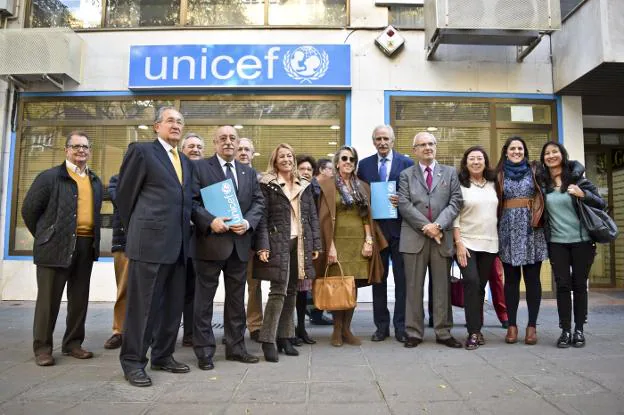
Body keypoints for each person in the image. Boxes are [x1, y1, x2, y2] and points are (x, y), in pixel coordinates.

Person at [117, 107, 194, 387]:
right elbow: (125, 196)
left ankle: (163, 355)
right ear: (156, 126)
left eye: (180, 121)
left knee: (173, 306)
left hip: (179, 246)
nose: (176, 125)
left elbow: (190, 202)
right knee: (143, 307)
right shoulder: (141, 151)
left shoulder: (185, 161)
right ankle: (133, 361)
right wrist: (139, 230)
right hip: (149, 244)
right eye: (170, 120)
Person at [21, 131, 103, 367]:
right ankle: (43, 348)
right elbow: (29, 210)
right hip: (54, 247)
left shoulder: (94, 180)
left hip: (86, 246)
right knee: (48, 301)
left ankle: (73, 344)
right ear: (66, 150)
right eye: (76, 146)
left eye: (85, 147)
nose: (81, 151)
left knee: (79, 299)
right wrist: (46, 236)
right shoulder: (50, 177)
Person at [191, 126, 265, 370]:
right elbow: (190, 201)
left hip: (240, 246)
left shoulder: (248, 171)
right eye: (223, 138)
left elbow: (258, 202)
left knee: (236, 300)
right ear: (214, 142)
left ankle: (236, 347)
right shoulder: (200, 167)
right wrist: (208, 220)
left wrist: (248, 222)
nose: (229, 142)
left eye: (232, 138)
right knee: (204, 301)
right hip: (209, 245)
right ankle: (204, 352)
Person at [254, 144, 321, 361]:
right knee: (278, 291)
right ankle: (267, 339)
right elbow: (262, 218)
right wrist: (263, 245)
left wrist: (316, 245)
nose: (286, 159)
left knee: (292, 291)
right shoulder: (267, 184)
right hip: (277, 243)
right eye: (282, 156)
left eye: (289, 155)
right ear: (275, 160)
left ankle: (285, 337)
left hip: (300, 243)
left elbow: (312, 217)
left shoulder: (304, 185)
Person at [315, 146, 388, 347]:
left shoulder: (363, 186)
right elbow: (323, 219)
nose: (348, 162)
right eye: (344, 158)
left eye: (352, 159)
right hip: (336, 241)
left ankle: (347, 329)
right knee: (339, 284)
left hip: (358, 241)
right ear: (337, 162)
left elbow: (367, 216)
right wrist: (329, 246)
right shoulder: (326, 186)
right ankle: (337, 330)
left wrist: (369, 241)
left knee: (352, 286)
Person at [398, 132, 463, 349]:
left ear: (436, 147)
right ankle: (414, 332)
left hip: (441, 238)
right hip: (414, 237)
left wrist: (438, 226)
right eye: (422, 145)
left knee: (442, 287)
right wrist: (426, 227)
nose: (427, 147)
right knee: (413, 287)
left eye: (431, 144)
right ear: (414, 149)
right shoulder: (406, 174)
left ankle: (443, 332)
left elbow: (456, 201)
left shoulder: (450, 172)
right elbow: (404, 204)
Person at [539, 141, 605, 348]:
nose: (551, 156)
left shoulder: (577, 179)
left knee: (579, 285)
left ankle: (579, 330)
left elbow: (600, 203)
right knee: (563, 285)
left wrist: (582, 194)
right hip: (557, 242)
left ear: (562, 154)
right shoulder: (542, 183)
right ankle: (565, 330)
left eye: (554, 152)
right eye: (547, 153)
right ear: (543, 159)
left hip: (582, 241)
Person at [358, 125, 414, 343]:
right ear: (373, 141)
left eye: (386, 139)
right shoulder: (364, 165)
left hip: (401, 231)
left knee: (402, 282)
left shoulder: (407, 163)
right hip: (376, 232)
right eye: (378, 139)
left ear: (393, 140)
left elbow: (415, 194)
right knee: (378, 281)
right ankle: (381, 327)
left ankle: (401, 326)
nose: (382, 142)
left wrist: (403, 199)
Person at [495, 136, 548, 346]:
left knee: (533, 280)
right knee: (511, 281)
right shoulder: (498, 174)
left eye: (520, 148)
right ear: (506, 151)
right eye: (512, 148)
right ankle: (512, 325)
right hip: (508, 230)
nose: (516, 151)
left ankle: (532, 326)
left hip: (532, 229)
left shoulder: (536, 171)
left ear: (524, 151)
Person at [452, 146, 498, 349]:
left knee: (480, 287)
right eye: (472, 159)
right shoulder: (460, 185)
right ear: (466, 163)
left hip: (489, 243)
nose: (476, 162)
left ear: (486, 162)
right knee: (471, 282)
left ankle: (477, 329)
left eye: (480, 158)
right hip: (466, 243)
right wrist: (458, 244)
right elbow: (454, 217)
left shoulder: (494, 184)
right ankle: (473, 332)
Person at [236, 137, 263, 343]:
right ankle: (234, 326)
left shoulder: (260, 179)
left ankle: (255, 326)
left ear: (253, 154)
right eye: (240, 149)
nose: (243, 152)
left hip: (253, 240)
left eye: (247, 149)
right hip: (227, 240)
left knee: (254, 286)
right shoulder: (224, 177)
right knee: (233, 286)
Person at [179, 133, 205, 347]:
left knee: (195, 290)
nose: (195, 149)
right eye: (191, 146)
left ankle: (191, 333)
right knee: (171, 288)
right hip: (175, 238)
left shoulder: (207, 173)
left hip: (200, 239)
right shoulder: (175, 169)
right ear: (182, 149)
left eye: (199, 146)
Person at [103, 174, 127, 350]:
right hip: (124, 243)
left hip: (150, 243)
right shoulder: (118, 180)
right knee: (124, 289)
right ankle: (119, 331)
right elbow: (124, 200)